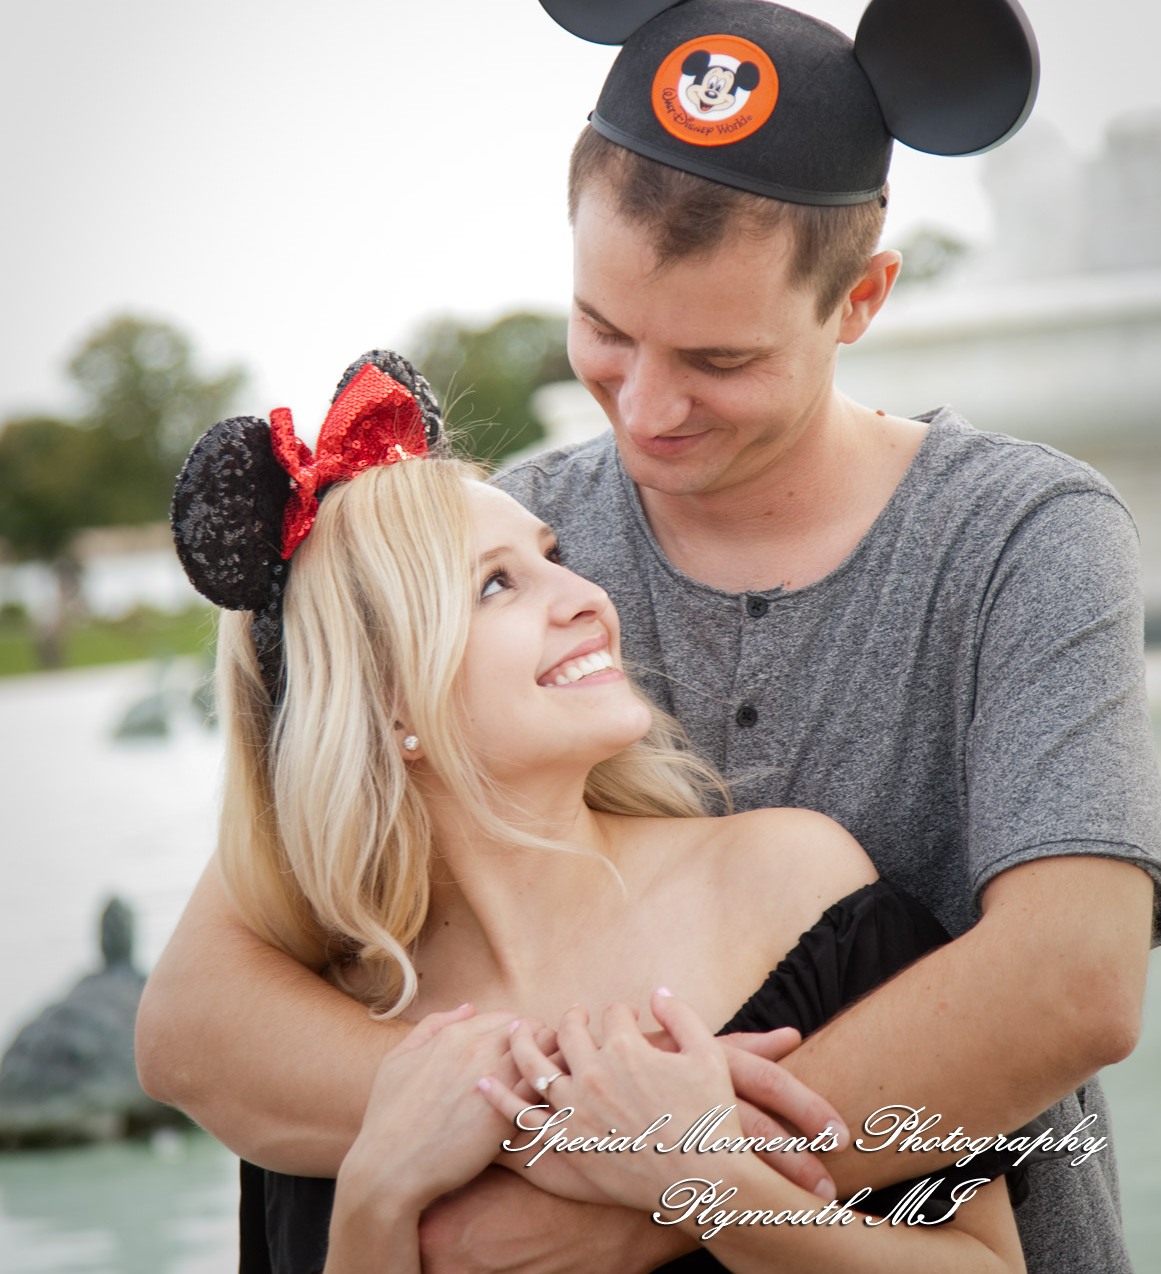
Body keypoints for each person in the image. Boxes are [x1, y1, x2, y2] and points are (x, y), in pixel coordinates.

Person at [137, 0, 1161, 1272]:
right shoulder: (518, 526)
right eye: (605, 328)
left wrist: (637, 1211)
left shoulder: (1025, 539)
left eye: (721, 359)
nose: (645, 406)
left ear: (859, 299)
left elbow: (1074, 981)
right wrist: (498, 1156)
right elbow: (200, 1013)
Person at [164, 352, 1034, 1274]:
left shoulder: (787, 882)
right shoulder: (317, 1036)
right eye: (496, 585)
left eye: (551, 557)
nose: (583, 599)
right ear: (389, 705)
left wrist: (704, 1186)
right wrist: (375, 1201)